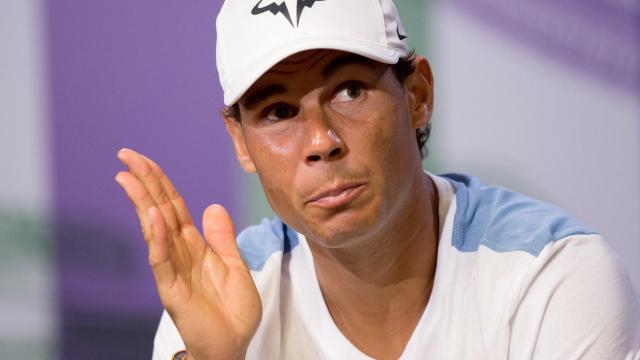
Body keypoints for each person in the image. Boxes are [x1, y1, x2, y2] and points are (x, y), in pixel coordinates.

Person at [115, 0, 640, 359]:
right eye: (278, 111)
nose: (321, 140)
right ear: (240, 143)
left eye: (348, 90)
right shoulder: (228, 296)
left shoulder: (547, 276)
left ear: (417, 96)